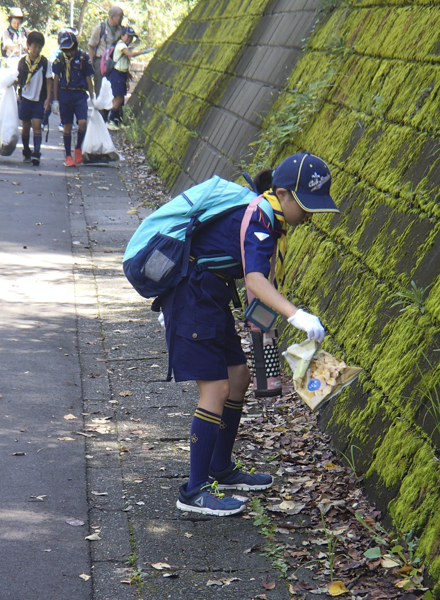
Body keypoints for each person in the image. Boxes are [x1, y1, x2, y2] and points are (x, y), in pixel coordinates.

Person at [158, 152, 340, 516]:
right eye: (305, 204)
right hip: (193, 296)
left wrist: (268, 329)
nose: (309, 215)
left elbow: (257, 283)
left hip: (211, 294)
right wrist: (296, 314)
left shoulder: (269, 217)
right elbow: (255, 278)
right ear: (284, 194)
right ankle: (193, 491)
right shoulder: (260, 217)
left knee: (238, 378)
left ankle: (220, 468)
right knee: (216, 388)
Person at [51, 31, 94, 167]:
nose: (68, 52)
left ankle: (78, 148)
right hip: (65, 94)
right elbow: (56, 79)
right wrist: (55, 100)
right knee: (67, 126)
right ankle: (68, 156)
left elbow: (88, 78)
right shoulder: (60, 59)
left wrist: (93, 98)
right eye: (65, 50)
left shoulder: (83, 58)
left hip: (80, 94)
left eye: (69, 49)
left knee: (83, 122)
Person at [17, 31, 52, 166]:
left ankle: (36, 152)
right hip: (25, 99)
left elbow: (49, 80)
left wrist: (48, 98)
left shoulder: (44, 63)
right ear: (28, 45)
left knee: (37, 126)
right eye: (34, 46)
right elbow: (18, 79)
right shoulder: (23, 62)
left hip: (38, 99)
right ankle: (26, 150)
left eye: (39, 47)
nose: (37, 49)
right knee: (25, 127)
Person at [106, 26, 148, 130]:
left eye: (131, 38)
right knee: (119, 98)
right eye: (128, 37)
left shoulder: (123, 46)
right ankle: (111, 120)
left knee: (120, 98)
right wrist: (144, 52)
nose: (129, 39)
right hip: (117, 74)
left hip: (121, 74)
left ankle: (117, 121)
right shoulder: (121, 45)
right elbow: (130, 54)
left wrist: (128, 75)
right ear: (122, 35)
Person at [88, 6, 124, 97]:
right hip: (101, 62)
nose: (121, 19)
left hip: (114, 63)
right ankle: (101, 111)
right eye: (120, 17)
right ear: (112, 17)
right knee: (100, 91)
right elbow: (91, 47)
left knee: (114, 91)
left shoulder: (121, 30)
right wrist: (91, 65)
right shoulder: (100, 28)